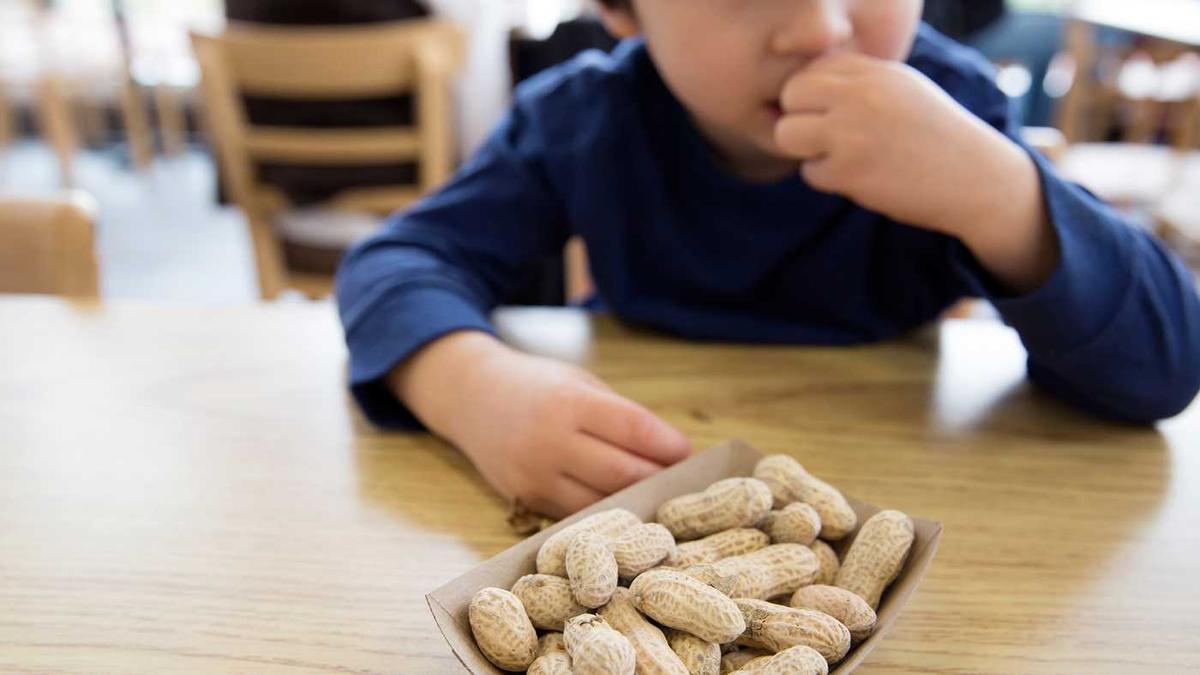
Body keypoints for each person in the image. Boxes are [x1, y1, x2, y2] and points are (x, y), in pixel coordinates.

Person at [336, 0, 1200, 518]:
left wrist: (1003, 200)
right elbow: (398, 260)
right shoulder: (581, 121)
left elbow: (1166, 366)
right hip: (639, 488)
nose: (822, 27)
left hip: (923, 504)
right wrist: (473, 386)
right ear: (623, 7)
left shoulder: (959, 111)